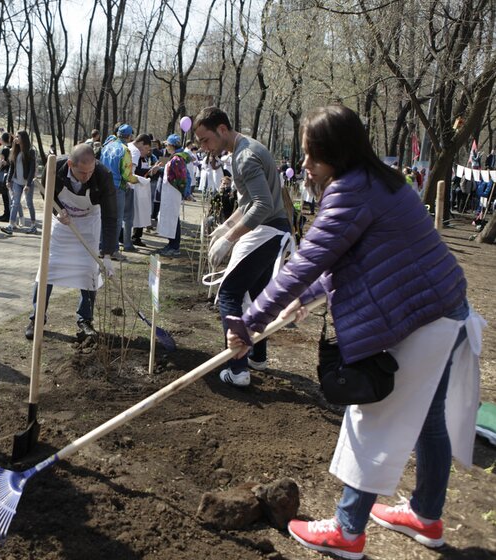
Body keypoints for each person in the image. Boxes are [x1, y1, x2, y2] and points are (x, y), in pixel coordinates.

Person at [227, 104, 480, 560]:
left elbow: (305, 263)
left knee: (372, 419)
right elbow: (352, 259)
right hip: (447, 311)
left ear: (336, 155)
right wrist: (306, 300)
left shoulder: (350, 193)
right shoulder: (383, 181)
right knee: (428, 422)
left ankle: (347, 531)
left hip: (423, 323)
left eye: (311, 156)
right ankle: (425, 515)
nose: (304, 165)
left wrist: (251, 321)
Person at [194, 106, 291, 387]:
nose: (203, 146)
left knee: (229, 293)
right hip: (272, 230)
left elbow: (263, 206)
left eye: (205, 139)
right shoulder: (245, 149)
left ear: (222, 129)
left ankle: (237, 369)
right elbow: (248, 202)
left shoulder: (245, 156)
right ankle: (257, 356)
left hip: (267, 231)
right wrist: (227, 225)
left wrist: (230, 237)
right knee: (257, 294)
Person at [24, 143, 117, 342]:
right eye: (82, 173)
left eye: (90, 171)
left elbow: (111, 215)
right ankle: (37, 318)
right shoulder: (54, 167)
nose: (87, 177)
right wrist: (57, 212)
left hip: (89, 222)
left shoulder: (103, 175)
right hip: (62, 223)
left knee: (88, 270)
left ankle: (85, 321)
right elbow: (45, 193)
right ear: (70, 164)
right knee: (47, 267)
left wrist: (107, 254)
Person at [99, 123, 139, 258]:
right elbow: (126, 174)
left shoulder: (106, 147)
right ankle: (113, 250)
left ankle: (100, 247)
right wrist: (137, 180)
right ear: (129, 136)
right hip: (117, 188)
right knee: (116, 220)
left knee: (103, 217)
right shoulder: (125, 150)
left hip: (103, 186)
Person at [156, 134, 193, 257]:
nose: (166, 146)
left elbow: (182, 178)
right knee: (170, 219)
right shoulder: (175, 158)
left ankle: (175, 246)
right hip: (170, 193)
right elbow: (170, 173)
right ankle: (171, 243)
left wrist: (185, 192)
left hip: (173, 193)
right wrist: (159, 170)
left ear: (172, 145)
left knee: (173, 219)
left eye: (167, 145)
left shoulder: (177, 159)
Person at [1, 130, 38, 236]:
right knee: (15, 203)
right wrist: (8, 180)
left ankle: (33, 225)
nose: (15, 138)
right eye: (15, 137)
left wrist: (28, 184)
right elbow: (11, 168)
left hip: (27, 182)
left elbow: (31, 169)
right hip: (16, 182)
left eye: (18, 137)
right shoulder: (14, 151)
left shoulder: (30, 151)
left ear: (23, 138)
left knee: (29, 203)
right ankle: (10, 226)